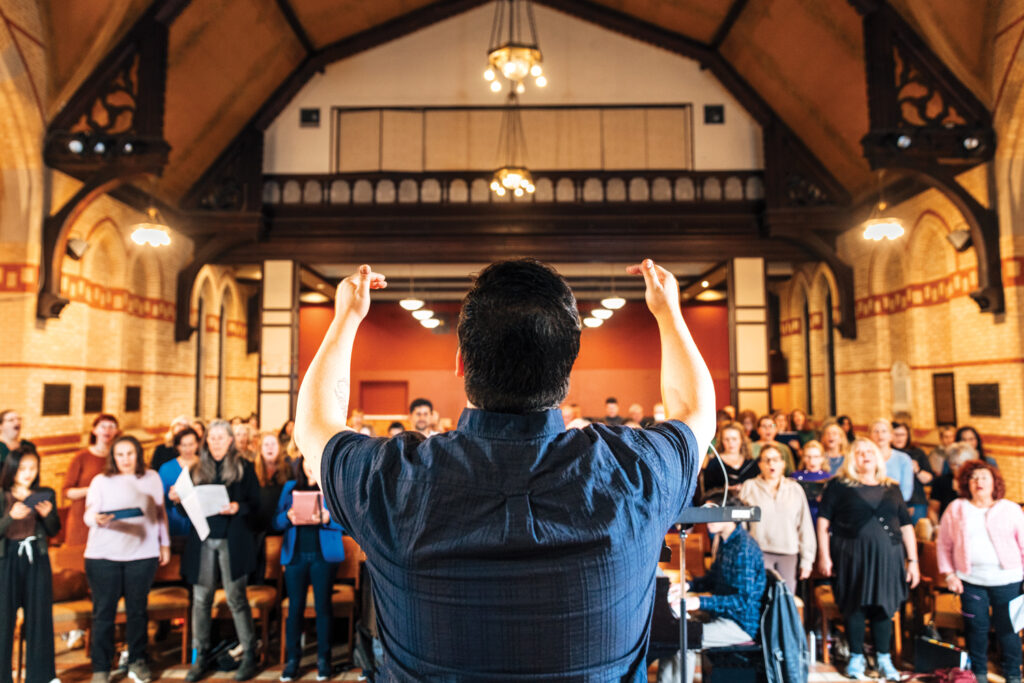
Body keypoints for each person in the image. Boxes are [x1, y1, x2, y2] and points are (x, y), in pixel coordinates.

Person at [294, 259, 715, 679]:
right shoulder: (633, 471)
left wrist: (346, 317)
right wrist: (668, 312)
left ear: (461, 363)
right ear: (567, 369)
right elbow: (696, 412)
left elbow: (314, 426)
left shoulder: (393, 480)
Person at [817, 438, 919, 681]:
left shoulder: (892, 487)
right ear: (852, 458)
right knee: (856, 604)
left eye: (869, 452)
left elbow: (906, 526)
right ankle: (856, 657)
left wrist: (913, 561)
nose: (865, 456)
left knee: (884, 606)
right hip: (851, 554)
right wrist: (824, 556)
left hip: (889, 556)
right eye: (859, 452)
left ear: (877, 457)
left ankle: (884, 658)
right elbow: (823, 523)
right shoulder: (838, 485)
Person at [172, 420, 261, 682]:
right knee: (201, 599)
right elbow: (185, 509)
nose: (216, 441)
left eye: (221, 437)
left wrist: (237, 507)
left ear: (231, 440)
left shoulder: (243, 466)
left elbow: (256, 504)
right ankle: (200, 656)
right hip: (203, 538)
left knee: (236, 597)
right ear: (206, 441)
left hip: (233, 539)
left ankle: (248, 654)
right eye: (212, 437)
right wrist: (177, 499)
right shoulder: (196, 468)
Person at [84, 435, 170, 683]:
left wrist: (164, 543)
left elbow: (160, 512)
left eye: (130, 454)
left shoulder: (152, 478)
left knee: (137, 611)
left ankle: (137, 660)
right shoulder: (101, 480)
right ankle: (101, 667)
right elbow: (89, 512)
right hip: (103, 554)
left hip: (142, 553)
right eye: (120, 454)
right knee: (103, 613)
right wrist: (96, 518)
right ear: (113, 457)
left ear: (138, 454)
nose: (125, 459)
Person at [656, 494, 767, 683]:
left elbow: (742, 600)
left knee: (685, 641)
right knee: (672, 633)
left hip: (740, 623)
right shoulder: (725, 542)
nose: (706, 519)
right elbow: (712, 579)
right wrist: (688, 585)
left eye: (712, 512)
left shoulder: (744, 548)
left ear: (729, 514)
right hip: (722, 614)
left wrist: (698, 601)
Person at [937, 461, 1024, 683]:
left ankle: (1013, 672)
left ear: (995, 482)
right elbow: (944, 544)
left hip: (1008, 580)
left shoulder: (1010, 509)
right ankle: (979, 673)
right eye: (973, 478)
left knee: (1009, 630)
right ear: (967, 483)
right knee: (976, 628)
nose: (979, 482)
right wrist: (949, 574)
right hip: (970, 580)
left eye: (984, 477)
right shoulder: (956, 508)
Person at [273, 454, 345, 682]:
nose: (310, 467)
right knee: (296, 608)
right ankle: (293, 660)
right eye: (306, 462)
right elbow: (276, 522)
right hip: (296, 556)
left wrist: (327, 517)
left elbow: (344, 520)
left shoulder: (331, 485)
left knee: (323, 607)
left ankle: (324, 659)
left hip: (322, 557)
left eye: (313, 462)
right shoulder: (290, 487)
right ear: (301, 466)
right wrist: (288, 516)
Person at [0, 447, 60, 683]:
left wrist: (49, 515)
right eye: (23, 468)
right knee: (4, 619)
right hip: (7, 560)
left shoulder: (45, 492)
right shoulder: (3, 494)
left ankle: (41, 677)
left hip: (36, 556)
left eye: (32, 468)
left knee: (39, 617)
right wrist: (9, 518)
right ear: (13, 469)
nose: (28, 473)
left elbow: (54, 529)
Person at [739, 444, 816, 593]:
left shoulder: (794, 489)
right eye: (766, 460)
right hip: (759, 552)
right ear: (760, 464)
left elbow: (804, 525)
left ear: (783, 463)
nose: (771, 464)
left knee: (784, 600)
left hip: (788, 553)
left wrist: (807, 560)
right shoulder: (749, 487)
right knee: (760, 598)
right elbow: (741, 526)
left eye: (775, 459)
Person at [64, 413, 120, 545]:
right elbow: (67, 492)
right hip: (81, 518)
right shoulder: (81, 457)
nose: (107, 430)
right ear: (94, 430)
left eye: (112, 427)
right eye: (103, 426)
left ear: (116, 431)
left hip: (109, 519)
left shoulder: (118, 457)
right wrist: (93, 490)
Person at [252, 432, 291, 582]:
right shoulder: (252, 470)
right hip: (258, 530)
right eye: (266, 445)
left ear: (279, 448)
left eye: (273, 444)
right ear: (260, 449)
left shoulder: (287, 470)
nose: (270, 448)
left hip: (280, 529)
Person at [158, 427, 201, 538]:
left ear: (198, 444)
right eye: (183, 445)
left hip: (200, 519)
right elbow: (160, 498)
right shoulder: (166, 468)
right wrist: (170, 497)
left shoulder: (205, 465)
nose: (188, 449)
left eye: (191, 444)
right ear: (177, 447)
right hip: (176, 520)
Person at [929, 442, 985, 527]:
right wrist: (937, 527)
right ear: (950, 465)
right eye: (955, 465)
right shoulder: (941, 482)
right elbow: (933, 510)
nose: (960, 469)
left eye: (963, 465)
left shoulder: (976, 483)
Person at [699, 421, 758, 500]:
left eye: (734, 439)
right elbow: (707, 491)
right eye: (726, 439)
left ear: (742, 440)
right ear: (721, 441)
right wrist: (723, 490)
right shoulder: (714, 463)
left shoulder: (751, 463)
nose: (731, 443)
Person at [891, 421, 933, 522]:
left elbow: (929, 480)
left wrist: (917, 470)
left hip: (915, 500)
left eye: (902, 435)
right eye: (895, 435)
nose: (899, 438)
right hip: (891, 500)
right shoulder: (886, 453)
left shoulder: (917, 452)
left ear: (908, 436)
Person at [869, 418, 914, 503]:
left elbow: (906, 493)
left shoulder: (903, 459)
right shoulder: (865, 458)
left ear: (891, 436)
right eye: (875, 431)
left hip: (895, 506)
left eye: (884, 431)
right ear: (870, 436)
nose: (880, 435)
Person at [789, 439, 830, 521]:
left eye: (816, 457)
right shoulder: (795, 476)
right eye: (808, 456)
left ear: (822, 458)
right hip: (799, 516)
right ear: (803, 457)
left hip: (820, 516)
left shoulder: (828, 478)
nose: (812, 461)